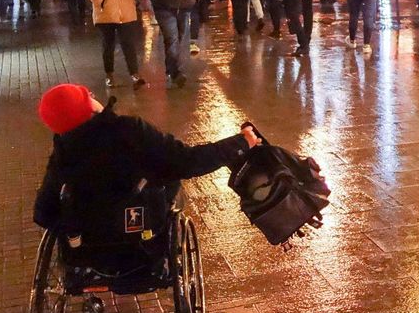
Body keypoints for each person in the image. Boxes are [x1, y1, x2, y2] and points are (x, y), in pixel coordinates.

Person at [32, 83, 262, 232]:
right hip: (143, 233)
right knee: (168, 176)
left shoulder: (63, 154)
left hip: (89, 250)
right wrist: (241, 143)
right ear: (88, 110)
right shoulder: (128, 130)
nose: (92, 95)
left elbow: (43, 214)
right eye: (87, 96)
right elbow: (186, 161)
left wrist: (82, 223)